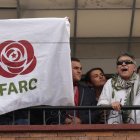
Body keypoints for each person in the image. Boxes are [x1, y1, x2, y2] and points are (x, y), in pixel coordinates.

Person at [97, 53, 140, 124]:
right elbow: (101, 104)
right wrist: (110, 105)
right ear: (117, 68)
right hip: (115, 127)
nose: (123, 64)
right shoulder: (110, 82)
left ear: (134, 68)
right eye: (120, 63)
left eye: (127, 62)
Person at [65, 57, 99, 124]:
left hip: (83, 131)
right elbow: (48, 110)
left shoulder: (88, 91)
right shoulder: (56, 89)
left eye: (80, 69)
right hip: (59, 130)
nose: (79, 71)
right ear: (66, 70)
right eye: (76, 68)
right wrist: (63, 119)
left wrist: (81, 120)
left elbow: (96, 114)